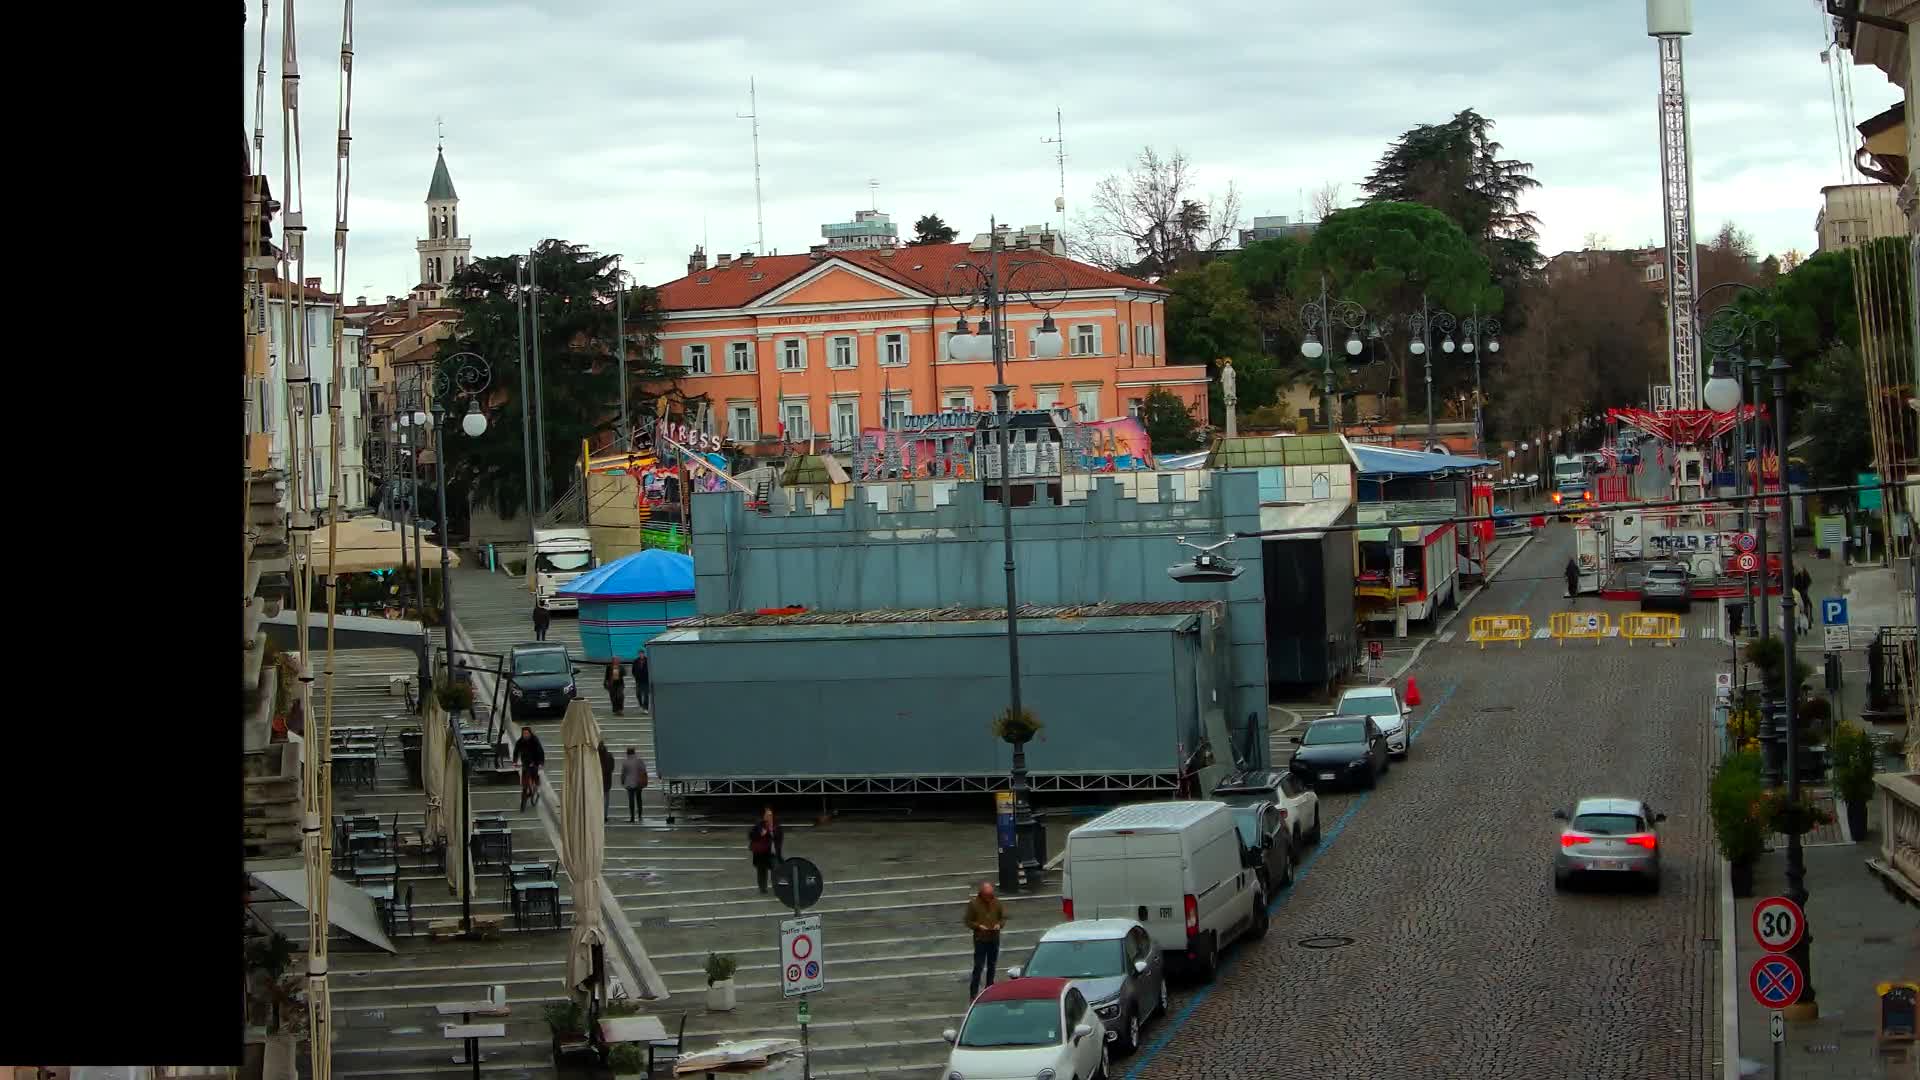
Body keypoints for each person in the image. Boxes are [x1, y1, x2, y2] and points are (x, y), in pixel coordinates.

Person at [964, 880, 1006, 1000]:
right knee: (978, 966)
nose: (989, 898)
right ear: (982, 894)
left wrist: (999, 925)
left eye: (990, 895)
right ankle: (973, 993)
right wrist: (978, 926)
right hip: (980, 939)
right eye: (987, 895)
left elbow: (1002, 918)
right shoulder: (973, 904)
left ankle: (989, 989)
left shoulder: (997, 903)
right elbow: (968, 921)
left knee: (992, 966)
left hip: (994, 938)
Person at [747, 808, 783, 894]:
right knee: (762, 871)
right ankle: (763, 888)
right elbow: (751, 836)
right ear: (763, 816)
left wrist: (772, 833)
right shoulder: (759, 825)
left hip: (772, 853)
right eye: (767, 815)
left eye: (770, 815)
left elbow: (779, 839)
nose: (769, 817)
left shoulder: (776, 826)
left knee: (776, 869)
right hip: (761, 853)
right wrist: (760, 834)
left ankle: (776, 888)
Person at [512, 725, 546, 811]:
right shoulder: (520, 741)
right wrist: (515, 761)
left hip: (535, 761)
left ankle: (536, 786)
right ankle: (525, 790)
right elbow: (516, 752)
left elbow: (540, 751)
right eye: (524, 733)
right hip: (525, 762)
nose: (525, 735)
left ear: (530, 733)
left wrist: (541, 763)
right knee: (525, 780)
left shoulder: (535, 740)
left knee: (534, 773)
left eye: (527, 733)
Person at [621, 747, 649, 824]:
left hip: (629, 783)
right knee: (639, 799)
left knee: (631, 801)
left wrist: (622, 781)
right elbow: (644, 771)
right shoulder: (639, 760)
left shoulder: (625, 762)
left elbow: (623, 773)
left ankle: (632, 817)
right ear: (634, 752)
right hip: (638, 783)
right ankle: (640, 815)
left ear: (627, 753)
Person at [598, 740, 616, 823]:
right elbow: (612, 767)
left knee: (598, 798)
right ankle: (605, 815)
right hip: (607, 780)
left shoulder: (595, 756)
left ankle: (598, 814)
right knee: (606, 798)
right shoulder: (609, 755)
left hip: (597, 779)